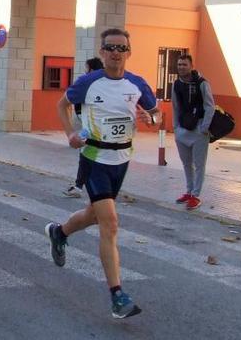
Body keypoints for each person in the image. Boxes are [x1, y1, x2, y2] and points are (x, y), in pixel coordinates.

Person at [46, 28, 161, 320]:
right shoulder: (88, 82)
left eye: (121, 48)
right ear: (102, 52)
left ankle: (59, 232)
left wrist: (152, 118)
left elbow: (157, 114)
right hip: (94, 157)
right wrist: (71, 133)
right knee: (109, 223)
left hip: (121, 159)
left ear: (128, 52)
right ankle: (117, 295)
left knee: (94, 215)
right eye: (110, 47)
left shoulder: (137, 84)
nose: (115, 53)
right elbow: (63, 104)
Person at [172, 54, 215, 211]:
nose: (181, 67)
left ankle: (196, 195)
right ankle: (189, 192)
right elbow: (175, 106)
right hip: (182, 130)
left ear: (191, 66)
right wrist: (175, 127)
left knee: (199, 164)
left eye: (184, 64)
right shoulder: (176, 84)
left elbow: (210, 105)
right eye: (179, 64)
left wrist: (204, 127)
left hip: (198, 131)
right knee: (186, 163)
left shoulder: (202, 83)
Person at [63, 57, 104, 198]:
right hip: (95, 125)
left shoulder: (86, 83)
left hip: (89, 125)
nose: (85, 71)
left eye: (86, 68)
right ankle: (81, 185)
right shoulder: (104, 83)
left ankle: (80, 186)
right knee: (89, 155)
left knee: (87, 155)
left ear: (91, 69)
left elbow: (70, 101)